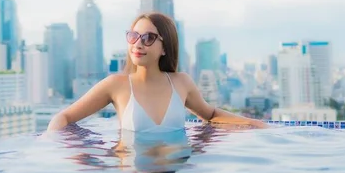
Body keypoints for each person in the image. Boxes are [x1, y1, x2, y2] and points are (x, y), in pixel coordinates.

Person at [47, 12, 268, 132]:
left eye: (148, 38)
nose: (138, 44)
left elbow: (210, 115)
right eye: (133, 36)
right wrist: (57, 149)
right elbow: (64, 117)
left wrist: (256, 125)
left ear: (164, 47)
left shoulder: (181, 82)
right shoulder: (116, 85)